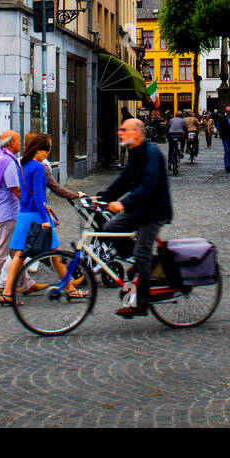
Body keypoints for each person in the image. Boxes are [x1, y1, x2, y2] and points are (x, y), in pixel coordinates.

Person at [100, 118, 173, 318]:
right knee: (109, 228)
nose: (119, 133)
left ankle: (141, 304)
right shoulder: (135, 152)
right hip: (139, 209)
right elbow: (124, 180)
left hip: (154, 211)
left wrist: (123, 204)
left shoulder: (151, 153)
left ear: (137, 133)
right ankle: (141, 263)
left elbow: (149, 185)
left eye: (124, 130)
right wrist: (103, 198)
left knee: (142, 253)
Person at [1, 133, 77, 304]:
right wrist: (44, 219)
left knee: (19, 255)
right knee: (56, 253)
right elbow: (39, 195)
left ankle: (7, 293)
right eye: (46, 150)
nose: (47, 154)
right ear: (38, 150)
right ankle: (70, 289)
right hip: (37, 215)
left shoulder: (23, 165)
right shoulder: (38, 167)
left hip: (24, 214)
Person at [0, 130, 33, 303]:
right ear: (12, 144)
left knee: (17, 250)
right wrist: (29, 203)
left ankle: (26, 283)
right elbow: (15, 188)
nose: (20, 144)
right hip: (7, 212)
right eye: (18, 141)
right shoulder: (9, 162)